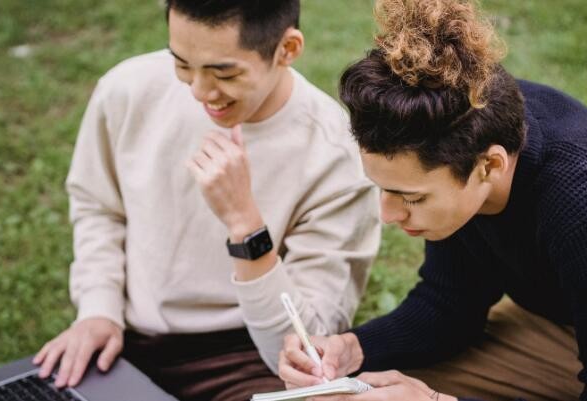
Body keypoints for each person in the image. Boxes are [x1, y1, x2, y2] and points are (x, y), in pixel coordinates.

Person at [278, 0, 587, 400]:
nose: (388, 213)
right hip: (580, 322)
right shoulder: (465, 125)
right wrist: (351, 349)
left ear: (490, 165)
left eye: (411, 197)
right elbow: (450, 303)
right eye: (383, 189)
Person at [30, 1, 381, 401]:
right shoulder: (127, 89)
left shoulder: (334, 155)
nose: (198, 91)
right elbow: (98, 207)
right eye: (181, 64)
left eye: (223, 72)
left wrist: (246, 226)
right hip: (127, 341)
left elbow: (305, 346)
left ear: (287, 49)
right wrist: (98, 309)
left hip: (247, 358)